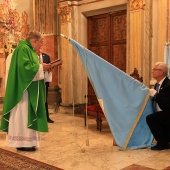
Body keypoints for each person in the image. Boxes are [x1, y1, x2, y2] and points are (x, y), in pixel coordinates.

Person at [0, 31, 51, 151]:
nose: (41, 46)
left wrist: (41, 66)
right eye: (40, 43)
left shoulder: (29, 49)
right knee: (23, 115)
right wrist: (41, 67)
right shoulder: (23, 49)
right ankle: (22, 143)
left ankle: (29, 142)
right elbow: (25, 69)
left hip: (29, 89)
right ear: (34, 41)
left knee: (26, 115)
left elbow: (31, 66)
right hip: (23, 91)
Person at [146, 62, 170, 150]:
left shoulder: (168, 85)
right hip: (161, 112)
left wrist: (156, 95)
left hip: (167, 112)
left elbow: (167, 104)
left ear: (161, 72)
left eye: (155, 69)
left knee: (151, 118)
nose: (152, 71)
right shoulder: (157, 84)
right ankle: (164, 140)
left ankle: (163, 143)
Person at [37, 49, 54, 123]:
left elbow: (49, 66)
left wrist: (50, 68)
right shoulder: (33, 57)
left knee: (44, 99)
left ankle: (46, 117)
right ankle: (37, 118)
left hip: (45, 81)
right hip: (36, 81)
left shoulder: (46, 56)